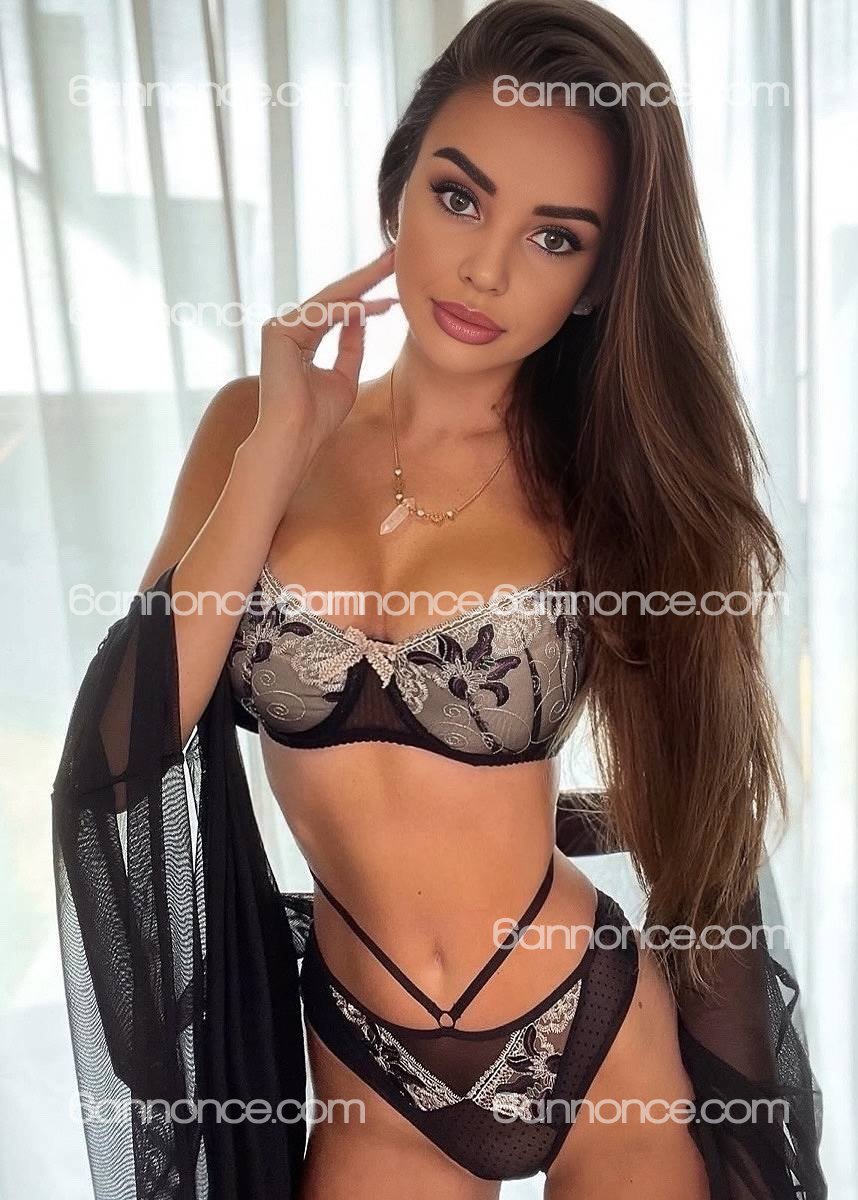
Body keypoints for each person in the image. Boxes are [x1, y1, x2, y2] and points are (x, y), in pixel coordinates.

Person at [51, 2, 826, 1198]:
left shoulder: (605, 482)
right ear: (397, 189)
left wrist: (532, 824)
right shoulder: (250, 429)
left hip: (593, 1033)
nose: (485, 268)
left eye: (555, 237)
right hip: (368, 1070)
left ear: (597, 282)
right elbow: (123, 750)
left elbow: (701, 790)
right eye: (459, 198)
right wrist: (280, 445)